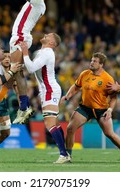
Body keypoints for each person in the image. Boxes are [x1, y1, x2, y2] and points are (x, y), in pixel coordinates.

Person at [62, 52, 120, 162]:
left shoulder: (107, 78)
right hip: (85, 108)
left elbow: (114, 97)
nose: (91, 63)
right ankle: (68, 156)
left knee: (110, 134)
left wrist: (110, 109)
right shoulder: (84, 74)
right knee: (70, 128)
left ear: (101, 64)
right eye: (91, 60)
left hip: (101, 110)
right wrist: (67, 96)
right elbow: (76, 86)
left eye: (94, 61)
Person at [7, 0, 52, 124]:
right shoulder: (37, 2)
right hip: (17, 37)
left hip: (22, 37)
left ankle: (24, 107)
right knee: (16, 72)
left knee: (15, 70)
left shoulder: (39, 3)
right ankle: (23, 107)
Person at [19, 33, 70, 163]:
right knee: (55, 123)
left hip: (50, 90)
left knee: (49, 123)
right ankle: (66, 153)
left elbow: (30, 68)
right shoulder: (41, 52)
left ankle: (63, 154)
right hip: (46, 90)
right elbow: (31, 66)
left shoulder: (47, 52)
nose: (46, 34)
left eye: (49, 35)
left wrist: (25, 52)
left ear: (52, 43)